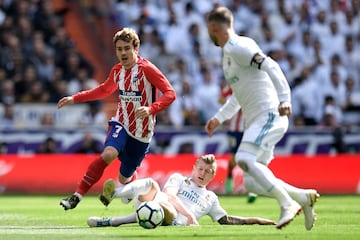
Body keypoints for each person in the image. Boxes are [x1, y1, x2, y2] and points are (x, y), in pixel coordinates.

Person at [204, 6, 319, 230]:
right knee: (251, 181)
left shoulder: (239, 46)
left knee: (244, 159)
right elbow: (238, 96)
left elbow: (271, 65)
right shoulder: (228, 55)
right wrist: (219, 118)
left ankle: (287, 203)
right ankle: (303, 198)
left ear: (213, 27)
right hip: (255, 120)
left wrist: (285, 98)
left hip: (269, 114)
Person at [57, 27, 176, 210]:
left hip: (142, 132)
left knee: (124, 177)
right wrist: (75, 98)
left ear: (136, 49)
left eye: (127, 48)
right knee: (109, 154)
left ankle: (129, 185)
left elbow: (170, 93)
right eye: (119, 49)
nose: (123, 53)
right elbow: (104, 90)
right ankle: (77, 196)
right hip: (121, 122)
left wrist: (151, 109)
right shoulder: (117, 71)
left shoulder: (147, 69)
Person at [87, 154, 276, 227]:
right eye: (200, 169)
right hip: (159, 207)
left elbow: (227, 220)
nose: (202, 174)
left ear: (213, 175)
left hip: (174, 220)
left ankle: (112, 220)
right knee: (152, 186)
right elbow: (168, 195)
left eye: (208, 172)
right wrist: (192, 217)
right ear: (194, 168)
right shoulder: (179, 178)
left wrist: (259, 221)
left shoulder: (211, 198)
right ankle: (115, 194)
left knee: (156, 201)